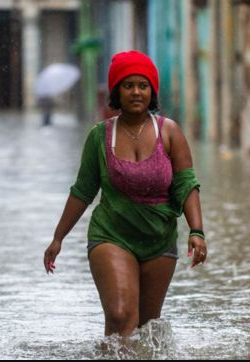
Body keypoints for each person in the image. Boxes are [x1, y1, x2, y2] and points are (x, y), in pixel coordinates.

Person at [43, 50, 207, 337]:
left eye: (143, 86)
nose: (135, 92)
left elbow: (186, 184)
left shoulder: (169, 132)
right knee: (120, 316)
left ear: (151, 92)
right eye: (128, 85)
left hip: (159, 238)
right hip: (111, 235)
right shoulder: (100, 136)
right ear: (117, 91)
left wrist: (197, 230)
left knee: (145, 328)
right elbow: (83, 191)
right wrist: (58, 237)